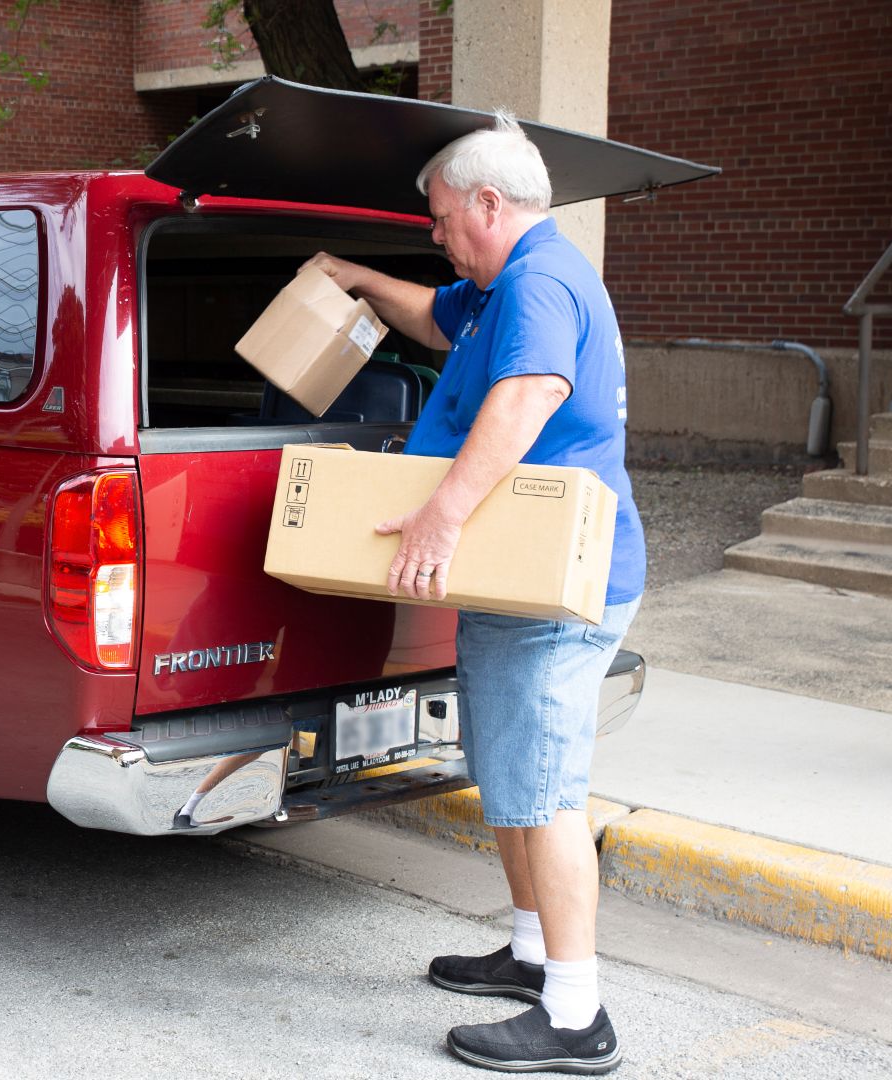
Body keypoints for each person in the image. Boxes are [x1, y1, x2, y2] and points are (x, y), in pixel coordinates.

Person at [307, 112, 643, 1075]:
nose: (438, 234)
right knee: (508, 774)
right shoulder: (504, 286)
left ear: (492, 204)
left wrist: (442, 514)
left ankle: (577, 1018)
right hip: (516, 580)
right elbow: (431, 315)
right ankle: (534, 956)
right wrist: (358, 280)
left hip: (555, 587)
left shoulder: (539, 283)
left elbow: (531, 391)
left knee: (546, 794)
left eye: (446, 219)